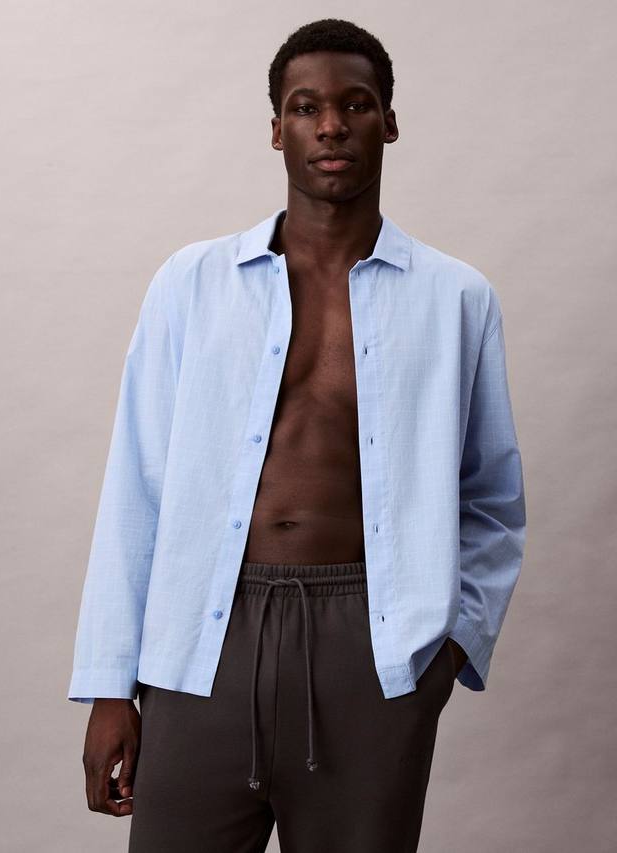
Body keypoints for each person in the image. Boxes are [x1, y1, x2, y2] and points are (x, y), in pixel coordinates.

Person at [68, 17, 526, 853]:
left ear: (389, 121)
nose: (331, 125)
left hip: (373, 646)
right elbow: (137, 482)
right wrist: (108, 686)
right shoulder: (192, 284)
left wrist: (449, 647)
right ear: (277, 128)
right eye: (307, 107)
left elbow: (491, 499)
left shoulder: (456, 298)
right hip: (203, 638)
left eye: (356, 104)